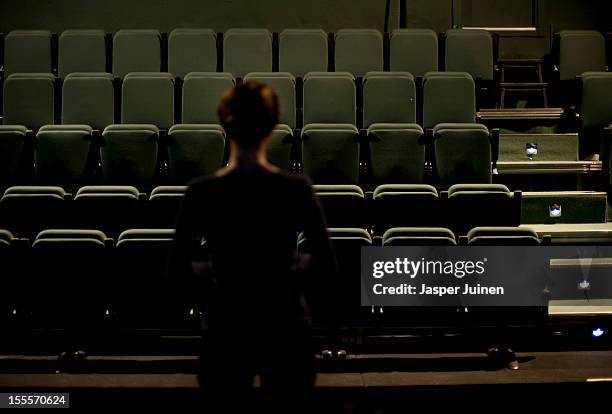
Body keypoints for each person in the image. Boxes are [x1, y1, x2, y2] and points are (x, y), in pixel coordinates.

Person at [171, 81, 336, 412]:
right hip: (285, 324)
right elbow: (326, 265)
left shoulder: (202, 192)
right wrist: (287, 272)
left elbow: (175, 269)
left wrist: (219, 275)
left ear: (225, 125)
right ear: (272, 128)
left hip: (227, 325)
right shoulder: (295, 189)